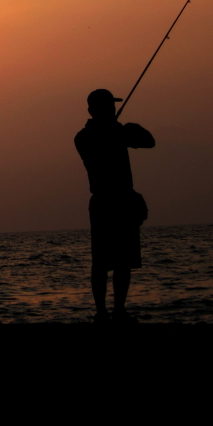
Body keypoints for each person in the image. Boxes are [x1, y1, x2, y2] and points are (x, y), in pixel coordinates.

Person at [74, 89, 155, 323]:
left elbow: (149, 142)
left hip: (121, 200)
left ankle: (118, 311)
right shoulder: (85, 137)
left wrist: (130, 129)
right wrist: (119, 131)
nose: (112, 109)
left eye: (112, 106)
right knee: (101, 262)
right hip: (105, 201)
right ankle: (102, 312)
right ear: (93, 111)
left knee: (123, 261)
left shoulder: (117, 132)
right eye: (108, 106)